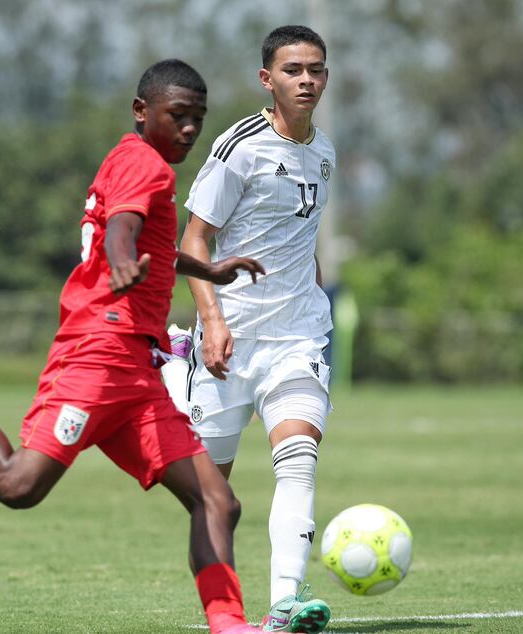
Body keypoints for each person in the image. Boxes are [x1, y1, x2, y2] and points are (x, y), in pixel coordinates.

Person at [0, 60, 270, 634]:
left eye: (198, 119)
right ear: (142, 111)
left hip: (137, 371)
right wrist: (121, 264)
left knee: (217, 501)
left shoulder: (133, 161)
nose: (189, 129)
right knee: (17, 485)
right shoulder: (144, 164)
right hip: (99, 354)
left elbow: (143, 237)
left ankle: (229, 624)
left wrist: (206, 269)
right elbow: (123, 231)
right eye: (178, 115)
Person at [161, 25, 336, 633]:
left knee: (299, 457)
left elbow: (302, 239)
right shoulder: (240, 146)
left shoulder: (325, 152)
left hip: (298, 337)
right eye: (293, 70)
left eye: (315, 69)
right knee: (211, 495)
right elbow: (194, 239)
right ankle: (174, 374)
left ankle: (285, 604)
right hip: (230, 339)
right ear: (267, 79)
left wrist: (310, 291)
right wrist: (211, 321)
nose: (306, 80)